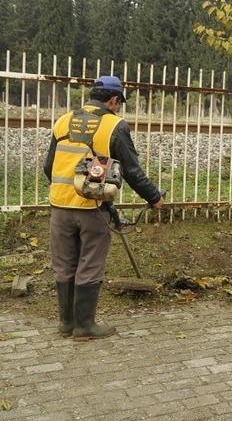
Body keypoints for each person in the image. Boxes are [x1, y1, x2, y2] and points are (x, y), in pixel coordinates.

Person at [44, 75, 164, 341]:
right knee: (90, 264)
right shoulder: (114, 126)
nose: (118, 107)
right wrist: (154, 197)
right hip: (93, 207)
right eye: (119, 102)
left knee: (64, 264)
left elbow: (48, 167)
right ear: (113, 100)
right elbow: (132, 171)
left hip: (60, 207)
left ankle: (66, 324)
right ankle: (85, 326)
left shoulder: (63, 120)